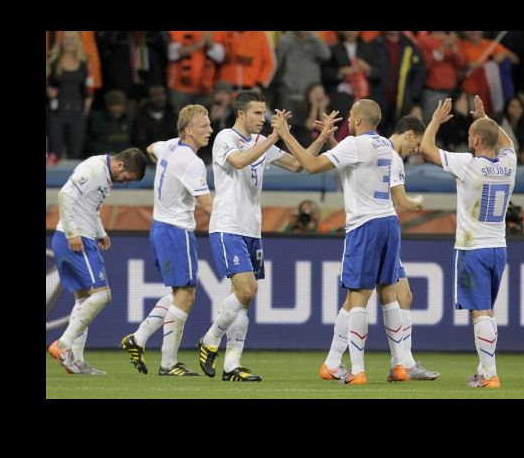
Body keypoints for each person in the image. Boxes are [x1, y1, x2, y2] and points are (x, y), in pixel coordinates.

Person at [196, 90, 334, 382]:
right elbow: (239, 162)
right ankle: (209, 339)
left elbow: (299, 164)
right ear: (241, 114)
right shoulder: (226, 138)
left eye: (265, 113)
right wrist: (275, 136)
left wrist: (322, 138)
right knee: (247, 290)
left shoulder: (262, 142)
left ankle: (232, 365)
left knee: (243, 299)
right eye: (258, 113)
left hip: (252, 230)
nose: (263, 118)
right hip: (228, 226)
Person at [272, 99, 403, 385]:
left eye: (350, 117)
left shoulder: (353, 145)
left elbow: (310, 165)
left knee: (357, 296)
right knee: (386, 292)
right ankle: (398, 363)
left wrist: (285, 134)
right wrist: (332, 139)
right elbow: (357, 164)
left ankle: (357, 371)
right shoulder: (386, 146)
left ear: (357, 121)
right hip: (389, 223)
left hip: (364, 226)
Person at [317, 115, 441, 382]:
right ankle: (377, 363)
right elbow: (401, 200)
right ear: (408, 134)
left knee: (395, 295)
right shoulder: (390, 153)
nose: (416, 150)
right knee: (374, 296)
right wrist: (416, 203)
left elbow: (356, 159)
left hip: (377, 228)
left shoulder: (378, 149)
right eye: (417, 143)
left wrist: (330, 141)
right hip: (381, 227)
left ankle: (399, 362)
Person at [418, 95, 516, 389]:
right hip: (499, 248)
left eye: (472, 135)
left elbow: (425, 149)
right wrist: (487, 119)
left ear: (474, 140)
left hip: (472, 249)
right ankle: (486, 370)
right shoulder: (509, 165)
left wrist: (435, 120)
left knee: (480, 311)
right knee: (487, 310)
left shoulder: (467, 164)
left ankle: (489, 374)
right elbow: (508, 144)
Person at [120, 104, 214, 376]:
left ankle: (138, 338)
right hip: (176, 229)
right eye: (204, 125)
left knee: (178, 293)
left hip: (160, 226)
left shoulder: (169, 146)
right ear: (188, 130)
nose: (210, 129)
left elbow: (151, 148)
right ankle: (168, 363)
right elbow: (207, 205)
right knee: (186, 295)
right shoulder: (192, 162)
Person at [48, 148, 147, 374]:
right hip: (75, 238)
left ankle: (77, 361)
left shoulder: (104, 174)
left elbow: (90, 207)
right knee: (102, 295)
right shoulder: (93, 169)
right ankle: (62, 345)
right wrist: (73, 233)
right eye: (127, 178)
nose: (124, 183)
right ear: (120, 166)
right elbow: (64, 195)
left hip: (78, 236)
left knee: (84, 300)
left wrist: (100, 231)